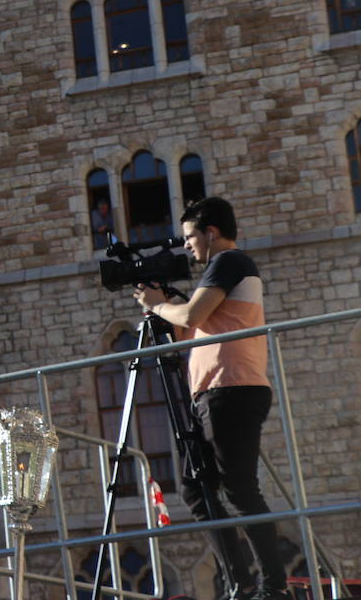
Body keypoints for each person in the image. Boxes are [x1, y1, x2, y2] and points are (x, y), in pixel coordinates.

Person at [132, 197, 286, 600]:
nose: (186, 246)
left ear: (211, 233)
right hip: (217, 392)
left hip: (230, 389)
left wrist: (159, 304)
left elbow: (191, 318)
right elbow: (190, 329)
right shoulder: (222, 273)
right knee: (197, 489)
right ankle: (242, 580)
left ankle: (273, 585)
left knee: (238, 489)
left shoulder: (229, 262)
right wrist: (167, 304)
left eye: (189, 237)